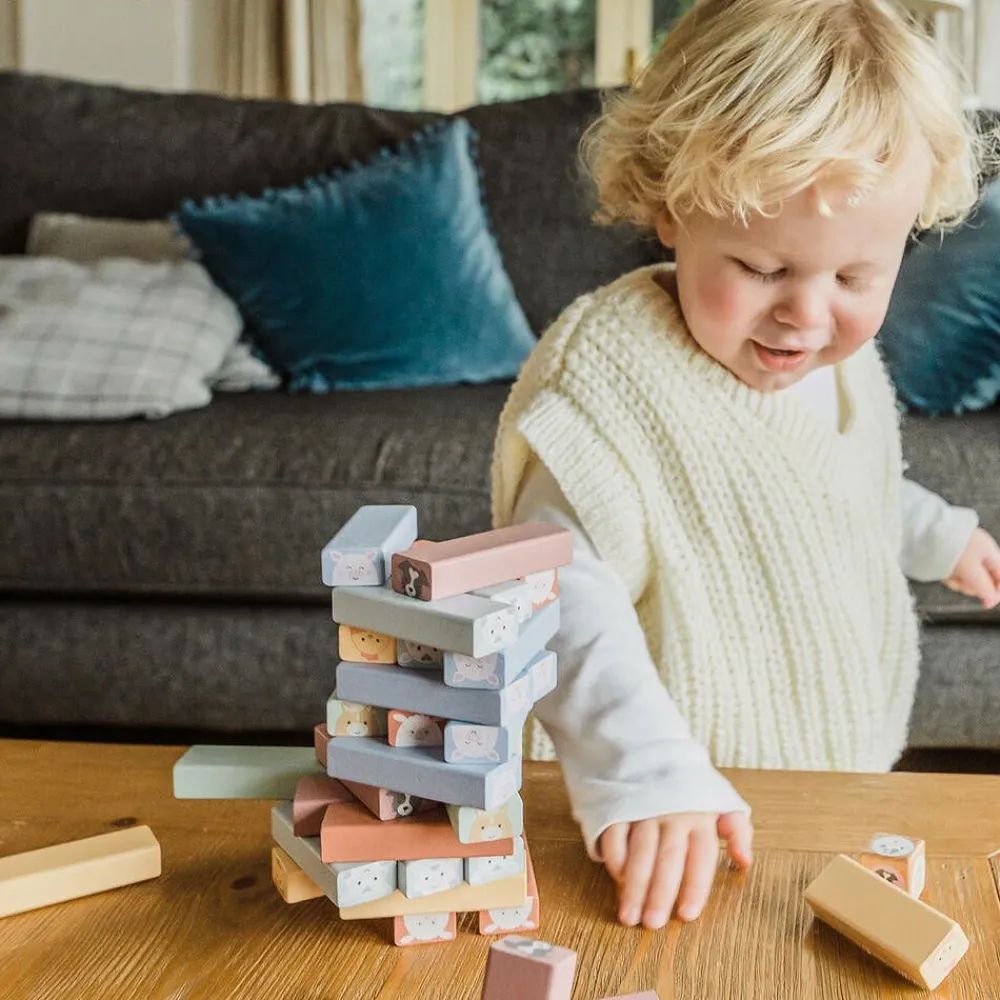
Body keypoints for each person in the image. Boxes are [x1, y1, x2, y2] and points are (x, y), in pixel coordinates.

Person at [490, 0, 1000, 932]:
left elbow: (839, 486)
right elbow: (550, 589)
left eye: (855, 278)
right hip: (672, 814)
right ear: (669, 208)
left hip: (833, 775)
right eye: (764, 268)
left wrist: (939, 534)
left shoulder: (839, 368)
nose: (807, 316)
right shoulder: (611, 379)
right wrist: (645, 769)